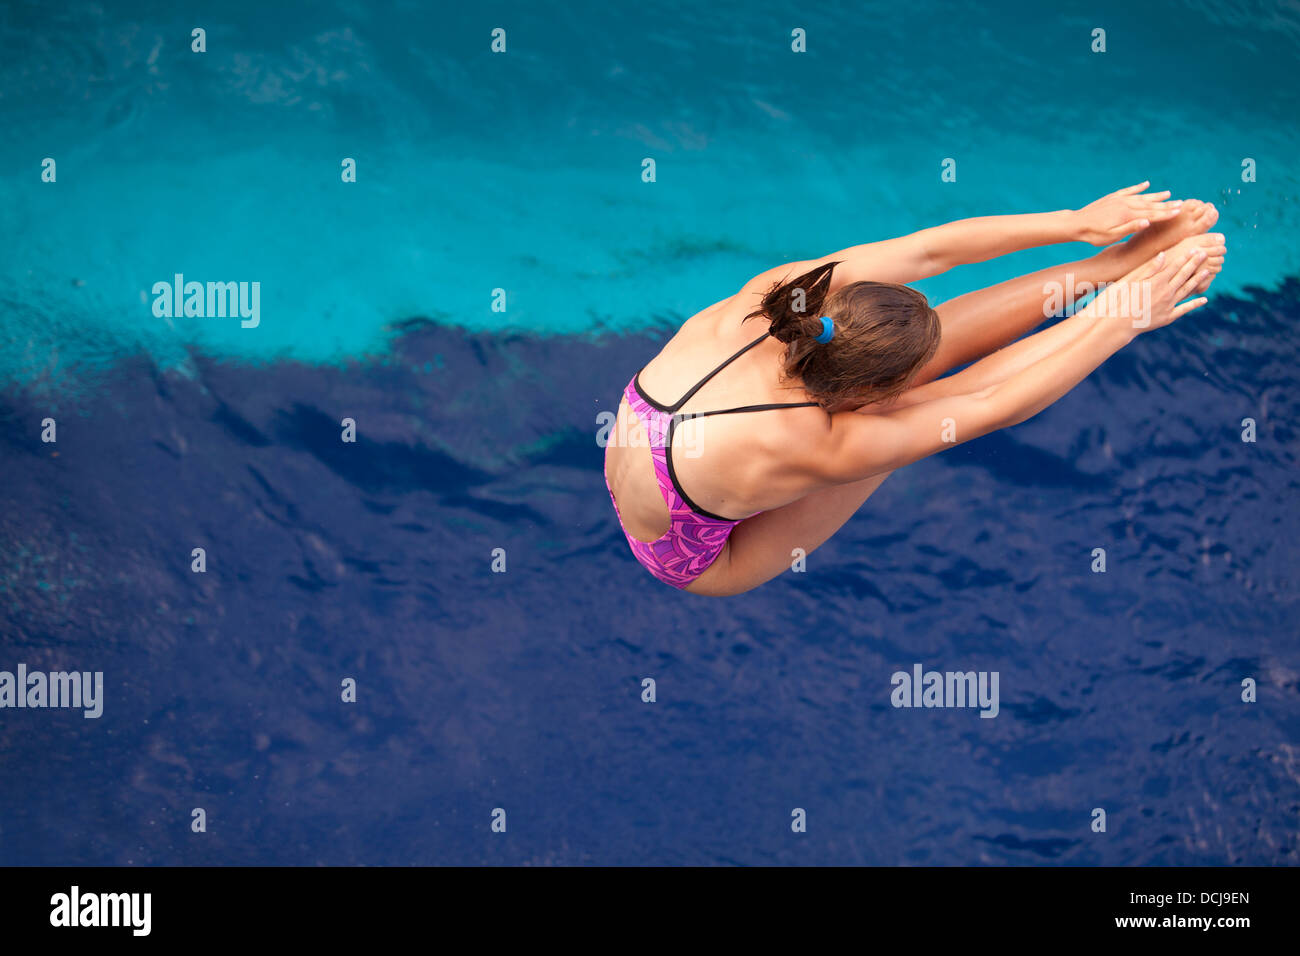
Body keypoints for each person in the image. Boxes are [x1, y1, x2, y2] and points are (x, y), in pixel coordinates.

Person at [602, 185, 1226, 595]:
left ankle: (1106, 268)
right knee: (923, 415)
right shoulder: (807, 443)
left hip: (644, 447)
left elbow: (929, 250)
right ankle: (1111, 285)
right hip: (691, 551)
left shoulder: (779, 298)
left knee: (909, 380)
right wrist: (1126, 316)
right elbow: (989, 403)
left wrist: (1077, 225)